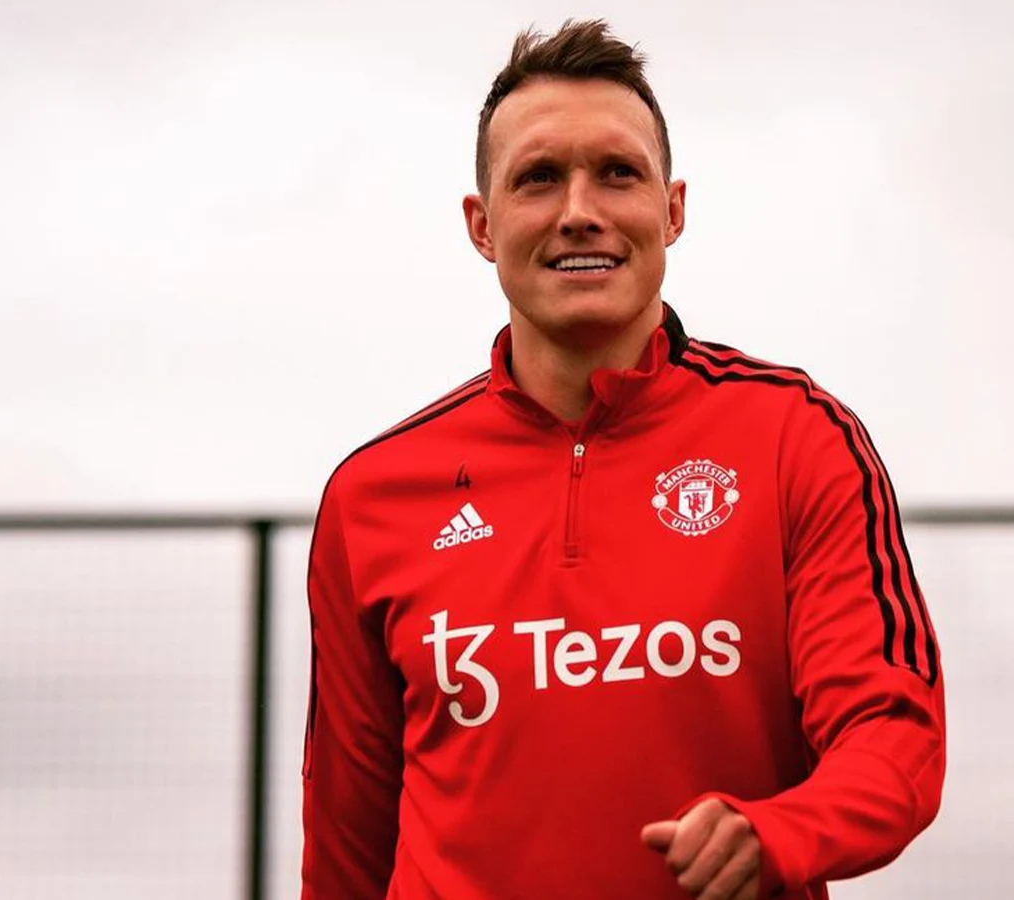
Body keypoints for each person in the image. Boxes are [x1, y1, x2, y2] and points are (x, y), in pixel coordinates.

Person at [300, 19, 944, 900]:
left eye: (617, 173)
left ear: (672, 210)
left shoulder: (796, 437)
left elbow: (894, 737)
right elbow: (347, 841)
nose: (579, 211)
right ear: (482, 225)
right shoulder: (372, 495)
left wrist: (780, 832)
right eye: (538, 178)